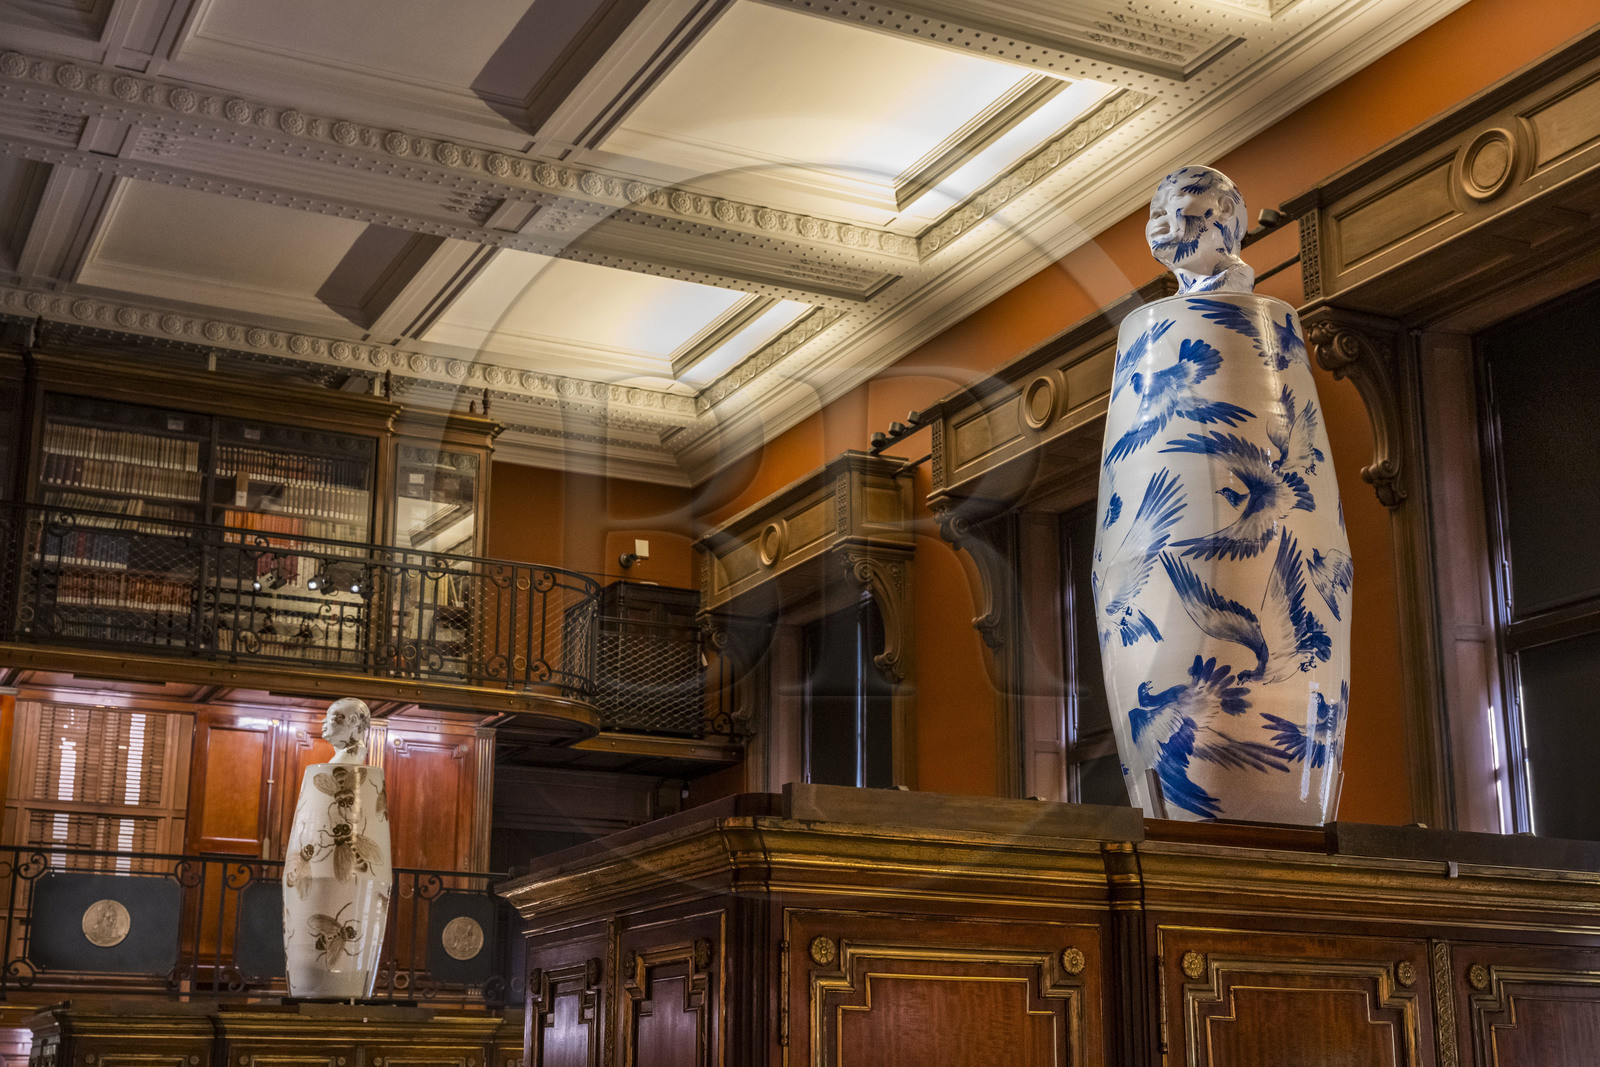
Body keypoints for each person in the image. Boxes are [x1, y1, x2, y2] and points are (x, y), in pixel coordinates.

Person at [1146, 165, 1254, 294]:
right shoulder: (1166, 308)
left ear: (1224, 209)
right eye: (1153, 208)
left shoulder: (1235, 281)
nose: (1155, 213)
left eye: (1174, 197)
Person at [322, 697, 370, 764]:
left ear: (353, 721)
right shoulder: (340, 755)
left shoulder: (347, 757)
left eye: (330, 715)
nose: (323, 720)